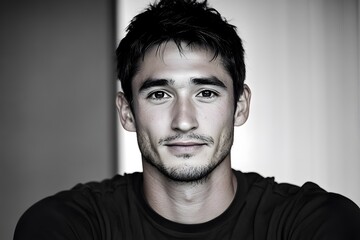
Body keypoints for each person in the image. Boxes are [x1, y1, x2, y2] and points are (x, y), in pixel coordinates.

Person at [14, 0, 360, 239]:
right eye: (159, 94)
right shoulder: (66, 227)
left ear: (240, 106)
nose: (183, 121)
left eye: (206, 93)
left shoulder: (316, 224)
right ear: (126, 111)